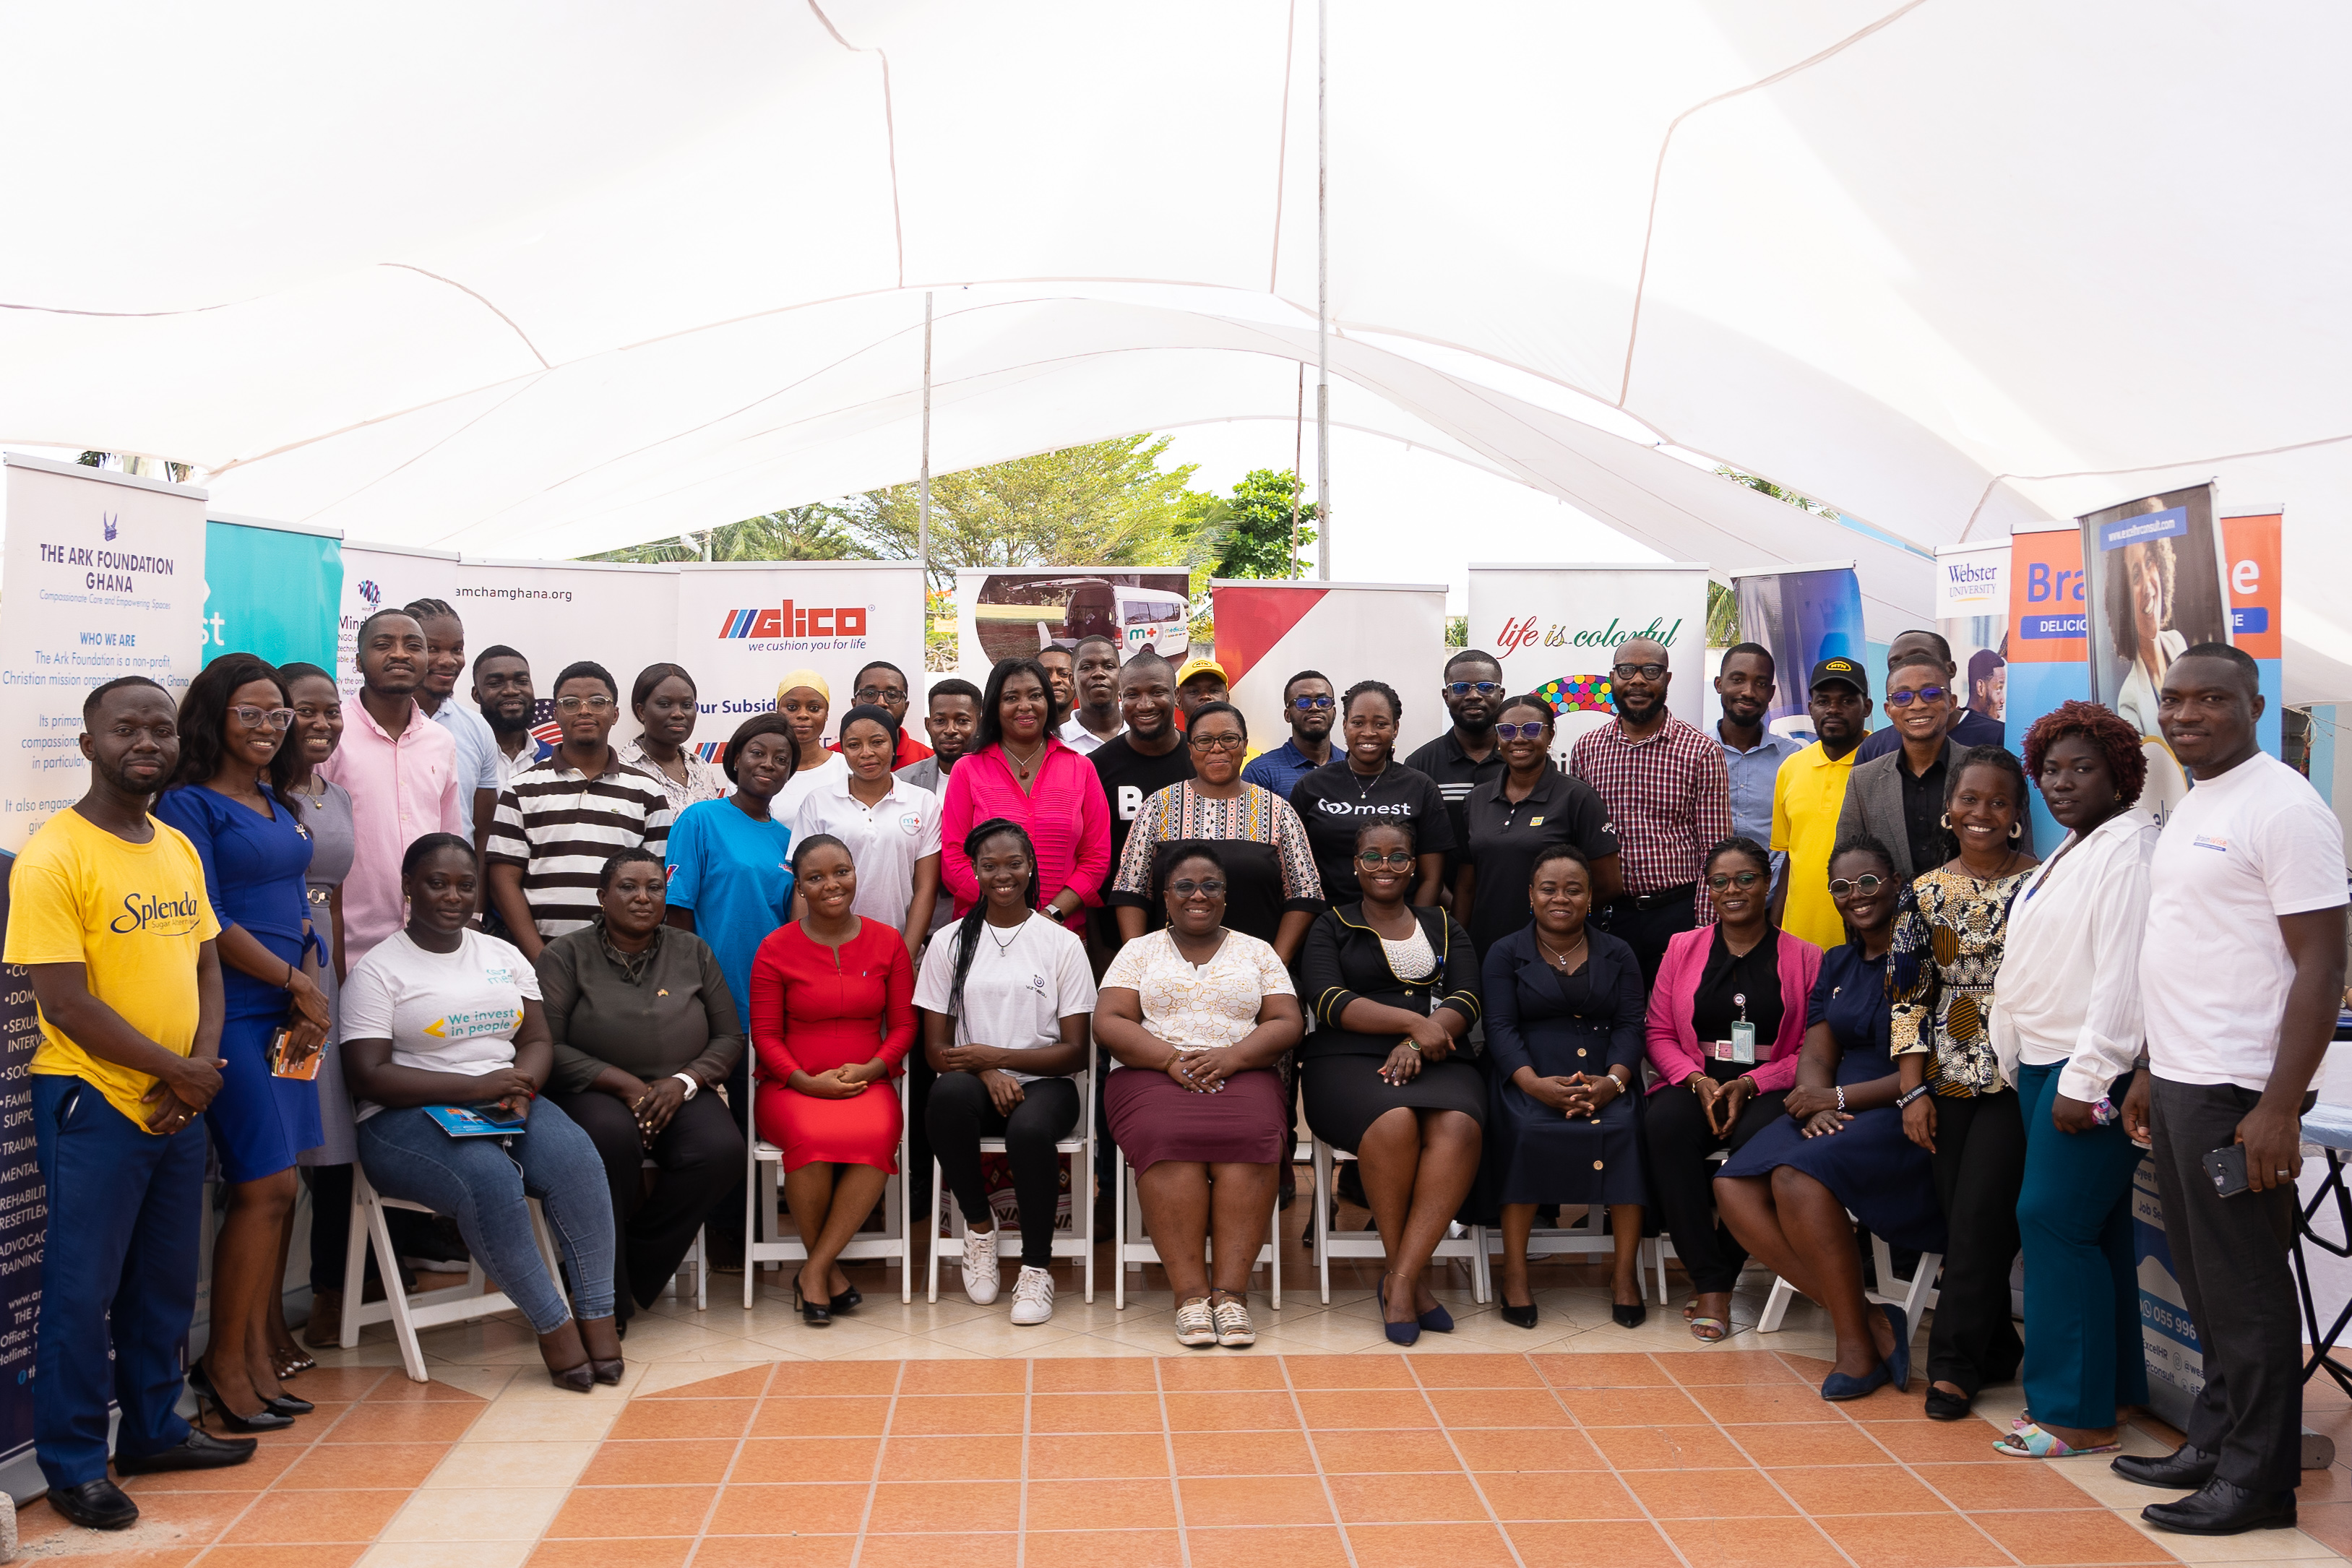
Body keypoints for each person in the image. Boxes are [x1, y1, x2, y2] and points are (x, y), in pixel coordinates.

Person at [7, 678, 249, 1530]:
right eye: (124, 729)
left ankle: (152, 1429)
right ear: (88, 745)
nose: (145, 741)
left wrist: (200, 1065)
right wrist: (173, 1072)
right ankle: (73, 1462)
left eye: (158, 727)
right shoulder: (54, 855)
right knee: (83, 1289)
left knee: (164, 1282)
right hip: (94, 1099)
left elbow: (208, 964)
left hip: (181, 1095)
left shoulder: (177, 845)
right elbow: (65, 1002)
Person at [2118, 644, 2346, 1535]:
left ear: (2256, 704)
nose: (2186, 715)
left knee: (2247, 1289)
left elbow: (2323, 966)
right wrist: (2145, 1067)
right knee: (2209, 1284)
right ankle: (2216, 1441)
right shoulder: (2198, 800)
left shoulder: (2287, 808)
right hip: (2180, 1077)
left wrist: (2280, 1104)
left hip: (2238, 1091)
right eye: (2174, 700)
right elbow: (2187, 943)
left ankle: (2259, 1482)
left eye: (2211, 699)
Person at [343, 835, 623, 1390]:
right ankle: (555, 1328)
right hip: (404, 1116)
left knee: (577, 1160)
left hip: (502, 1099)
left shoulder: (500, 953)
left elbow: (538, 1038)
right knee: (490, 1180)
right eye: (436, 882)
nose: (453, 895)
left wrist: (524, 1086)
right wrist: (473, 1087)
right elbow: (367, 1075)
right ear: (407, 887)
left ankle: (599, 1318)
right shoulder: (379, 971)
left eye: (465, 885)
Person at [154, 655, 328, 1429]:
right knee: (266, 1187)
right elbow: (210, 919)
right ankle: (222, 1364)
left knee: (284, 1186)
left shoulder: (273, 800)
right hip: (238, 1010)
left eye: (277, 716)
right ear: (216, 717)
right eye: (250, 714)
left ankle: (256, 1356)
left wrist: (311, 986)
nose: (266, 728)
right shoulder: (189, 805)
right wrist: (294, 983)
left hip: (297, 1014)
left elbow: (295, 900)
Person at [1715, 836, 1945, 1400]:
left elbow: (1929, 1068)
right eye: (1841, 887)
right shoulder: (1838, 961)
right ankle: (1866, 1321)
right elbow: (1817, 1053)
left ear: (1896, 882)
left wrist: (1837, 1102)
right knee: (1732, 1186)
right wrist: (1815, 1097)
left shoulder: (1926, 957)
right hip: (1835, 1105)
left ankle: (1852, 1346)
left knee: (1794, 1176)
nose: (1855, 896)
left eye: (1868, 882)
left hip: (1901, 1106)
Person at [1990, 702, 2156, 1457]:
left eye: (2081, 768)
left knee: (2053, 1223)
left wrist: (2086, 1079)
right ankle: (2115, 1390)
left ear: (2120, 772)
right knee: (2095, 1230)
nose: (2060, 783)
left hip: (2087, 1070)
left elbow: (2126, 976)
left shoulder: (2128, 848)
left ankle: (2072, 1414)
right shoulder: (2077, 847)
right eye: (2051, 769)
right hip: (2044, 1066)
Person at [1095, 845, 1305, 1348]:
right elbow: (1109, 1021)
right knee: (1166, 1135)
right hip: (1151, 1072)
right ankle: (1190, 1297)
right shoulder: (1139, 951)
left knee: (1254, 1135)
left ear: (1225, 897)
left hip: (1243, 1069)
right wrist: (1169, 1059)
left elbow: (1285, 1020)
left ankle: (1230, 1296)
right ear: (1164, 896)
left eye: (1210, 885)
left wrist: (1232, 1057)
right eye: (1184, 886)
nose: (1198, 895)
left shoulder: (1257, 951)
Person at [1888, 745, 2038, 1421]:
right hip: (1945, 1079)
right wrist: (1912, 1091)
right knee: (1962, 1221)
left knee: (1979, 1223)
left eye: (1997, 802)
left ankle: (1949, 1368)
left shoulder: (2041, 885)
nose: (1981, 813)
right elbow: (1907, 998)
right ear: (1949, 809)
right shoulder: (1921, 893)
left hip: (2016, 1073)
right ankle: (1998, 1349)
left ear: (2015, 815)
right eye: (1969, 800)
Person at [538, 848, 745, 1330]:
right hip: (594, 1087)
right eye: (628, 887)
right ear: (602, 896)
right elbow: (547, 1044)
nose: (643, 898)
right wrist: (625, 1084)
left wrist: (684, 1081)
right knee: (608, 1142)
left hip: (679, 1087)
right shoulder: (564, 955)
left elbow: (728, 1037)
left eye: (654, 887)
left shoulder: (692, 950)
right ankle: (606, 1301)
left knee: (721, 1151)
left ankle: (625, 1270)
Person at [1297, 822, 1484, 1345]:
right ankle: (1409, 1285)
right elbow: (1327, 999)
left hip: (1440, 1057)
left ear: (1414, 866)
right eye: (1373, 857)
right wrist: (1409, 1024)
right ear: (1354, 866)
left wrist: (1420, 1041)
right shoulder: (1329, 924)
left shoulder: (1443, 923)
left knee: (1459, 1127)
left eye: (1398, 857)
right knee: (1395, 1122)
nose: (1385, 866)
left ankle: (1401, 1279)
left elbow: (1468, 998)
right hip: (1345, 1060)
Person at [1642, 836, 1823, 1343]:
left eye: (1745, 878)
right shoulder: (1682, 947)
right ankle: (1708, 1278)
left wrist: (1750, 1082)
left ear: (1766, 885)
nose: (1733, 890)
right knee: (1664, 1128)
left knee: (1760, 1146)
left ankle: (1717, 1279)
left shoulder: (1805, 957)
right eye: (1719, 881)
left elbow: (1812, 1047)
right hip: (1692, 1076)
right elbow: (1656, 1032)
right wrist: (1696, 1080)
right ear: (1708, 890)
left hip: (1769, 1086)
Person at [916, 821, 1095, 1324]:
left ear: (1030, 866)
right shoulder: (949, 942)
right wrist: (986, 1071)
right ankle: (978, 1224)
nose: (1003, 874)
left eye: (1013, 863)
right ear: (973, 871)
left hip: (1048, 1087)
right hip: (971, 1085)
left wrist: (996, 1058)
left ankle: (1036, 1269)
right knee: (946, 1095)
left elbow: (1075, 1052)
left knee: (1030, 1129)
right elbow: (934, 1049)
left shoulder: (1060, 944)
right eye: (989, 865)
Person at [749, 835, 918, 1324]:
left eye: (840, 871)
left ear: (855, 873)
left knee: (878, 1133)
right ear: (799, 886)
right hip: (792, 1088)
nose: (831, 885)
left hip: (868, 1082)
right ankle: (827, 1275)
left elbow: (905, 1026)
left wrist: (872, 1068)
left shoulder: (888, 942)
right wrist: (804, 1082)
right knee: (813, 1139)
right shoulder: (774, 949)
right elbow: (764, 1034)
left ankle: (815, 1270)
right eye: (816, 877)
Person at [1481, 844, 1650, 1332]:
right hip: (1528, 1073)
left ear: (1589, 898)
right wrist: (1533, 1084)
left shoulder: (1617, 951)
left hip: (1604, 1076)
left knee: (1625, 1131)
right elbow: (1498, 1028)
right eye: (1549, 889)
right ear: (1530, 895)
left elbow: (1630, 1026)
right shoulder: (1504, 951)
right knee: (1526, 1130)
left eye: (1573, 889)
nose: (1561, 898)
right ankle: (1514, 1275)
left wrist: (1615, 1082)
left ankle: (1624, 1277)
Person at [664, 712, 799, 1268]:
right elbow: (676, 914)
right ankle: (724, 1233)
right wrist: (692, 993)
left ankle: (748, 1232)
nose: (768, 765)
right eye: (758, 753)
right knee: (718, 1125)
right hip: (711, 999)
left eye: (781, 758)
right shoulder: (700, 820)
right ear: (735, 757)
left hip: (770, 1001)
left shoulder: (788, 839)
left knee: (756, 1118)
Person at [277, 664, 363, 1359]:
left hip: (327, 981)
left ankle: (331, 1290)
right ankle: (261, 1318)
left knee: (332, 1143)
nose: (324, 723)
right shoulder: (258, 799)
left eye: (332, 711)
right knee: (273, 1154)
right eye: (306, 711)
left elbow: (331, 898)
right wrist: (299, 983)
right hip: (275, 980)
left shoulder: (335, 796)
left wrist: (334, 983)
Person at [486, 660, 674, 962]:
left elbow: (658, 883)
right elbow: (503, 882)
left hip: (624, 964)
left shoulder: (647, 791)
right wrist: (541, 959)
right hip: (541, 960)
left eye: (597, 702)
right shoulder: (520, 789)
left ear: (614, 714)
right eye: (571, 703)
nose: (584, 710)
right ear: (556, 713)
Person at [1570, 637, 1731, 986]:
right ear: (1613, 678)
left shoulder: (1701, 752)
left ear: (1667, 680)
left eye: (1651, 671)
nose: (1638, 681)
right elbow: (1578, 844)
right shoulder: (1587, 749)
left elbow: (1715, 849)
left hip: (1676, 914)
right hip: (1608, 917)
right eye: (1627, 671)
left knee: (1674, 1020)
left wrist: (1702, 929)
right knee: (1612, 1019)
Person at [1108, 702, 1322, 958]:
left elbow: (1305, 893)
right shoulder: (1158, 807)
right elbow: (1130, 891)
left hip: (1254, 971)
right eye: (1204, 740)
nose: (1217, 748)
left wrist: (1276, 963)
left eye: (1229, 739)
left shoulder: (1278, 811)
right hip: (1170, 973)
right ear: (1190, 749)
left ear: (1245, 746)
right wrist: (1140, 963)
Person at [318, 607, 462, 961]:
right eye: (384, 644)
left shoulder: (441, 741)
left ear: (426, 660)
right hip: (346, 947)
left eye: (413, 645)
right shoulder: (331, 736)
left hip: (426, 944)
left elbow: (450, 839)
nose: (400, 653)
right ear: (358, 661)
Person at [939, 658, 1111, 928]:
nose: (1025, 706)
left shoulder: (1082, 768)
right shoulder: (967, 770)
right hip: (985, 929)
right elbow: (953, 858)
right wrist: (1005, 913)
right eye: (1011, 697)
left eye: (1035, 695)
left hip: (1062, 932)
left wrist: (1051, 915)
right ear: (994, 707)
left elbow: (1096, 859)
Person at [1839, 653, 2032, 884]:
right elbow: (1846, 866)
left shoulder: (1991, 773)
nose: (1918, 705)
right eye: (1902, 697)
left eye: (1931, 694)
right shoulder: (1863, 780)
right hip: (1893, 919)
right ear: (1888, 710)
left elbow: (2022, 857)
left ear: (1951, 703)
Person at [1453, 694, 1621, 960]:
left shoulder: (1577, 798)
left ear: (1550, 735)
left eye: (1531, 729)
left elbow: (1609, 884)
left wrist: (1559, 918)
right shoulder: (1477, 800)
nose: (1518, 739)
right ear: (1497, 738)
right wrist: (1458, 948)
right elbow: (1466, 886)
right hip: (1485, 949)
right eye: (1506, 731)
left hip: (1552, 950)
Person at [792, 704, 942, 952]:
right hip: (830, 950)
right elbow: (802, 886)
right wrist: (803, 952)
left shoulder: (923, 802)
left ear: (894, 745)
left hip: (898, 948)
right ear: (843, 749)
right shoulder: (818, 802)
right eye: (853, 745)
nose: (866, 753)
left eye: (877, 742)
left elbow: (926, 888)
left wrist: (906, 954)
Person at [1289, 680, 1453, 907]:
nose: (1368, 733)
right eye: (1358, 723)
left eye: (1380, 724)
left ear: (1395, 728)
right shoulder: (1311, 785)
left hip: (1400, 921)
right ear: (1345, 725)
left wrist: (1413, 927)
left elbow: (1432, 879)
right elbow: (1294, 874)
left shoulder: (1420, 787)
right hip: (1327, 923)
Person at [1088, 653, 1195, 936]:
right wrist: (1100, 945)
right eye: (1133, 695)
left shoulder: (1200, 759)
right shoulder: (1096, 767)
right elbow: (1088, 858)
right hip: (1118, 930)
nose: (1145, 705)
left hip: (1196, 922)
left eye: (1157, 692)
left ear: (1175, 696)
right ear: (1120, 699)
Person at [1770, 658, 1871, 951]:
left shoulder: (1884, 763)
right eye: (1823, 701)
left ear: (1867, 707)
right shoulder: (1791, 768)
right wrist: (1775, 936)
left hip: (1863, 947)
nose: (1833, 710)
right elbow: (1792, 859)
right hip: (1798, 944)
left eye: (1847, 700)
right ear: (1811, 707)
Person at [1404, 650, 1509, 896]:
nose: (1473, 695)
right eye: (1461, 687)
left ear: (1501, 695)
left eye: (1485, 687)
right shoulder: (1419, 764)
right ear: (1446, 695)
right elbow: (1411, 847)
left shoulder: (1521, 759)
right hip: (1440, 906)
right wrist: (1450, 907)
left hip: (1513, 906)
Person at [402, 598, 503, 853]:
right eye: (433, 649)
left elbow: (482, 834)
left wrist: (474, 890)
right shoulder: (359, 725)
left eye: (457, 649)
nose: (448, 661)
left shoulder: (477, 728)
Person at [1712, 642, 1805, 885]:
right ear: (1719, 685)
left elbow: (1796, 839)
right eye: (1738, 680)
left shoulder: (1793, 759)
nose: (1749, 692)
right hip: (1706, 899)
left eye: (1761, 684)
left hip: (1774, 898)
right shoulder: (1694, 754)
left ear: (1772, 693)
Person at [1852, 630, 2005, 762]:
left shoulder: (1999, 737)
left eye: (1921, 659)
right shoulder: (1874, 748)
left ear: (1950, 669)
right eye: (1896, 665)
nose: (1908, 668)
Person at [619, 662, 728, 814]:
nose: (678, 713)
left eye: (687, 705)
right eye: (665, 704)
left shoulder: (701, 767)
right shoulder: (622, 772)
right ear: (641, 712)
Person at [1241, 668, 1336, 800]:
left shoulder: (1352, 765)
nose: (1315, 707)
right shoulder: (1261, 772)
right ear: (1287, 715)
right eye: (1303, 702)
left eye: (1324, 701)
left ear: (1334, 712)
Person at [473, 644, 553, 793]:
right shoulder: (462, 756)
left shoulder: (554, 759)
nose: (511, 691)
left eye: (522, 681)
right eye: (496, 683)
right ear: (476, 695)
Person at [774, 669, 850, 820]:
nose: (803, 715)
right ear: (778, 711)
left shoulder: (847, 769)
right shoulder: (758, 770)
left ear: (827, 714)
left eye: (814, 708)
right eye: (792, 707)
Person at [897, 677, 981, 798]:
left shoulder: (1000, 779)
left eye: (962, 721)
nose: (950, 730)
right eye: (940, 721)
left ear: (980, 724)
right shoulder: (902, 782)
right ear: (928, 725)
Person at [848, 660, 935, 771]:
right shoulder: (835, 759)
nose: (881, 703)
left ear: (905, 707)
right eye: (870, 694)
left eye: (892, 695)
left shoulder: (929, 760)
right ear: (854, 704)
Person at [1059, 634, 1124, 753]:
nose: (1099, 673)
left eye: (1109, 666)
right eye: (1087, 667)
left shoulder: (1142, 729)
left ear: (1121, 677)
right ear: (1072, 681)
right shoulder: (1058, 743)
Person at [1968, 647, 2007, 725]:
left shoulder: (1953, 726)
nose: (2003, 700)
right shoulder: (1999, 733)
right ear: (1980, 688)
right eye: (1998, 689)